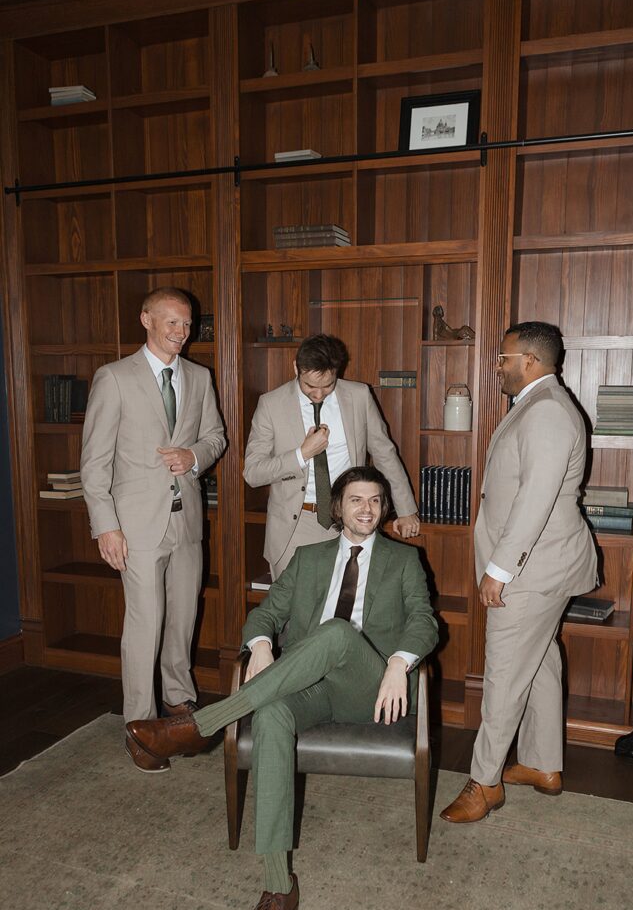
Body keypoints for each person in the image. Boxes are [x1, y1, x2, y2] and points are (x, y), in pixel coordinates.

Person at [126, 466, 438, 910]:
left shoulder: (405, 561)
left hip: (370, 687)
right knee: (270, 713)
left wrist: (400, 662)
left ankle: (199, 727)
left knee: (337, 633)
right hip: (307, 684)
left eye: (375, 501)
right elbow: (265, 613)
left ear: (384, 508)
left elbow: (424, 619)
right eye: (356, 500)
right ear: (337, 509)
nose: (366, 509)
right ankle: (277, 891)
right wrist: (262, 644)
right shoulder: (310, 558)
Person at [440, 322, 597, 824]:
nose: (498, 366)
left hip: (530, 570)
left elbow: (534, 502)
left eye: (503, 358)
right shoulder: (538, 404)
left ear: (529, 361)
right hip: (545, 564)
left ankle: (484, 783)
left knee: (504, 674)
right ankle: (542, 764)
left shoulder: (548, 411)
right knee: (542, 660)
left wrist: (499, 570)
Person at [80, 287, 226, 773]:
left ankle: (180, 706)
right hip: (136, 527)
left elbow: (216, 438)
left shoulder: (200, 378)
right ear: (146, 319)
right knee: (145, 625)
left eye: (186, 325)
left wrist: (194, 456)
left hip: (187, 522)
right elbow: (94, 464)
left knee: (183, 617)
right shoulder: (114, 378)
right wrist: (107, 527)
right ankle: (140, 727)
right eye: (172, 323)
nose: (181, 333)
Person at [243, 334, 420, 580]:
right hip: (294, 527)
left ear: (337, 371)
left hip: (350, 522)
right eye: (309, 386)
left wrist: (406, 509)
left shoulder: (359, 396)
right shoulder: (271, 404)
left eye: (327, 386)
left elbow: (384, 453)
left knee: (346, 612)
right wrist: (302, 454)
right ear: (296, 368)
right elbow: (253, 472)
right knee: (296, 615)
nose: (318, 394)